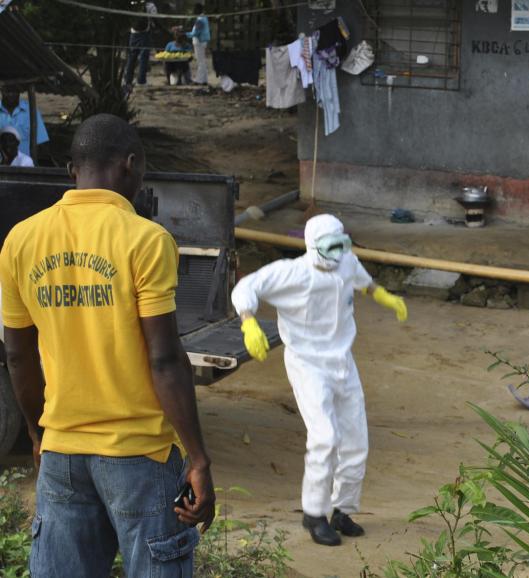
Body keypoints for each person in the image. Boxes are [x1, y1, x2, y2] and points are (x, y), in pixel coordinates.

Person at [0, 113, 216, 576]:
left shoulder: (20, 240)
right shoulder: (146, 240)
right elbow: (165, 359)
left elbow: (17, 355)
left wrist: (39, 435)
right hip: (141, 456)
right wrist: (198, 459)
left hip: (62, 455)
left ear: (71, 171)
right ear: (131, 165)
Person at [231, 214, 408, 547]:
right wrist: (249, 322)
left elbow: (361, 279)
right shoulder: (291, 272)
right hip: (308, 364)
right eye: (331, 247)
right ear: (313, 246)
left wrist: (381, 294)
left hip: (343, 361)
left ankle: (343, 510)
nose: (338, 253)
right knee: (325, 437)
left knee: (356, 440)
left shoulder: (346, 261)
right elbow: (246, 287)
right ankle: (314, 514)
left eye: (342, 245)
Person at [0, 87, 48, 158]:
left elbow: (40, 143)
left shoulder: (31, 111)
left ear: (19, 91)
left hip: (26, 163)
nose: (11, 94)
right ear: (1, 91)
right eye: (7, 91)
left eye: (14, 91)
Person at [124, 1, 158, 86]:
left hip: (133, 33)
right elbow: (155, 19)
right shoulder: (150, 5)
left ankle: (128, 80)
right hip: (144, 34)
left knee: (131, 57)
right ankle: (141, 81)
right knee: (143, 58)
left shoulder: (132, 3)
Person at [186, 4, 211, 85]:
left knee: (200, 61)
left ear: (198, 10)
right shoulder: (204, 18)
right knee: (202, 61)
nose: (194, 11)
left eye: (195, 9)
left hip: (199, 42)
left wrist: (184, 34)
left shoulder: (200, 20)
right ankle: (204, 79)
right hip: (202, 41)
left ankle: (199, 80)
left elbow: (195, 33)